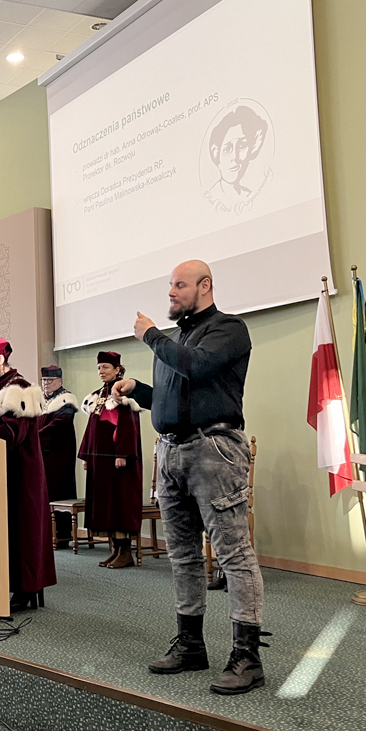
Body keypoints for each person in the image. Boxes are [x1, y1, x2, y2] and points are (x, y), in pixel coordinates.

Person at [113, 259, 263, 695]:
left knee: (233, 554)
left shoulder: (228, 329)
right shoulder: (176, 340)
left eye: (180, 285)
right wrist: (138, 390)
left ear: (205, 286)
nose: (171, 292)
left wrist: (150, 335)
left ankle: (248, 657)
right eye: (170, 286)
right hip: (171, 451)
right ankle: (191, 644)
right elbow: (173, 397)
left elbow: (196, 367)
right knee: (182, 555)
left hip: (213, 451)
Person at [0, 335, 56, 611]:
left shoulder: (18, 387)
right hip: (3, 469)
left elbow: (12, 432)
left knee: (23, 530)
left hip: (22, 472)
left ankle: (26, 588)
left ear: (1, 359)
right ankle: (7, 583)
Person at [79, 353, 145, 569]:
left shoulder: (123, 393)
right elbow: (91, 428)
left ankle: (126, 552)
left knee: (119, 504)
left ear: (118, 369)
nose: (101, 371)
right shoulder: (99, 395)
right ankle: (115, 550)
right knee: (106, 505)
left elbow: (127, 425)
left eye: (106, 367)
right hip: (101, 462)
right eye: (99, 367)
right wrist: (86, 455)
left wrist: (122, 454)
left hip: (118, 462)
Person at [37, 366, 78, 547]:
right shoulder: (42, 401)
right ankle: (44, 535)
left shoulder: (66, 401)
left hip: (58, 459)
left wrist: (33, 438)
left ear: (59, 381)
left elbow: (57, 428)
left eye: (50, 380)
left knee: (58, 494)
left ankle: (61, 536)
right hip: (41, 457)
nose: (46, 383)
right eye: (44, 380)